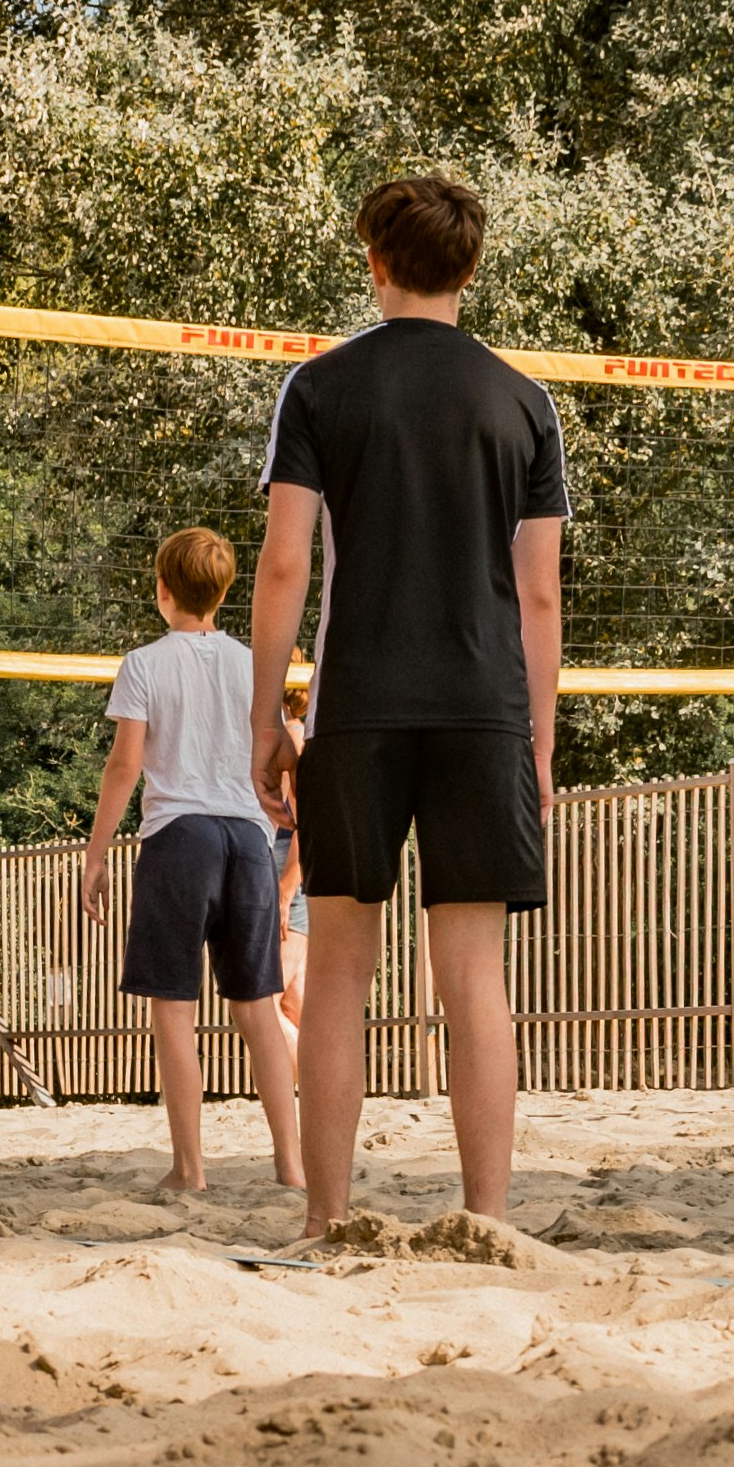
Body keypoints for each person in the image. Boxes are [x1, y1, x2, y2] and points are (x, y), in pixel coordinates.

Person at [244, 171, 564, 1238]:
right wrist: (540, 744)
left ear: (373, 262)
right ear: (469, 270)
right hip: (483, 711)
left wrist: (265, 721)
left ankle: (325, 1219)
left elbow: (284, 567)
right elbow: (538, 591)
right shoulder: (523, 400)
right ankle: (483, 1220)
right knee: (471, 975)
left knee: (335, 967)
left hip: (360, 708)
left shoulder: (320, 387)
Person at [78, 524, 303, 1200]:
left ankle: (190, 1171)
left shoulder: (145, 663)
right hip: (248, 841)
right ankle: (292, 1167)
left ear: (162, 590)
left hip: (180, 838)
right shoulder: (253, 662)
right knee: (259, 1011)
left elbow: (124, 767)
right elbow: (283, 750)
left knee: (174, 1010)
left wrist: (96, 856)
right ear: (226, 590)